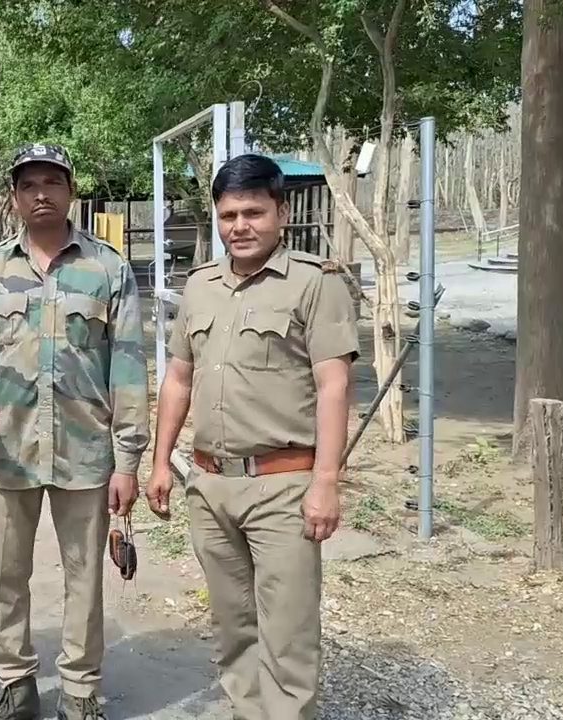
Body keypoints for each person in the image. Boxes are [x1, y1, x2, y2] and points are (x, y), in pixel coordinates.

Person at [144, 154, 358, 720]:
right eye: (228, 214)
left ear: (282, 213)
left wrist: (327, 482)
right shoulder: (201, 286)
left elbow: (334, 386)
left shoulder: (316, 284)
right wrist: (161, 461)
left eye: (254, 212)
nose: (240, 225)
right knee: (234, 628)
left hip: (283, 486)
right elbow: (179, 378)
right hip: (210, 486)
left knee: (287, 633)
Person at [0, 143, 150, 720]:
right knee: (4, 576)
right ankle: (16, 683)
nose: (41, 193)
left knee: (84, 581)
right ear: (13, 196)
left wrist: (128, 461)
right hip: (8, 449)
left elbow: (129, 368)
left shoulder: (107, 268)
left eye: (52, 182)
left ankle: (81, 691)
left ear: (70, 190)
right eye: (28, 184)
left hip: (85, 450)